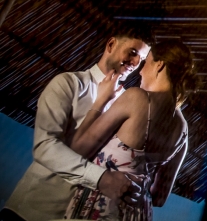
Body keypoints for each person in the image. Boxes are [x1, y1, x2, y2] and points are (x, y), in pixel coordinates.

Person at [1, 27, 152, 221]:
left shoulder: (126, 105)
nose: (135, 64)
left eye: (141, 60)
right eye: (133, 53)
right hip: (31, 210)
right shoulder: (68, 84)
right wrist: (101, 178)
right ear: (111, 44)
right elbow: (44, 146)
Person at [64, 41, 195, 220]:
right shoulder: (183, 128)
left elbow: (77, 151)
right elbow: (159, 198)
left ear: (159, 65)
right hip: (138, 214)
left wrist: (100, 101)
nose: (140, 71)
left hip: (101, 209)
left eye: (145, 63)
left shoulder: (136, 98)